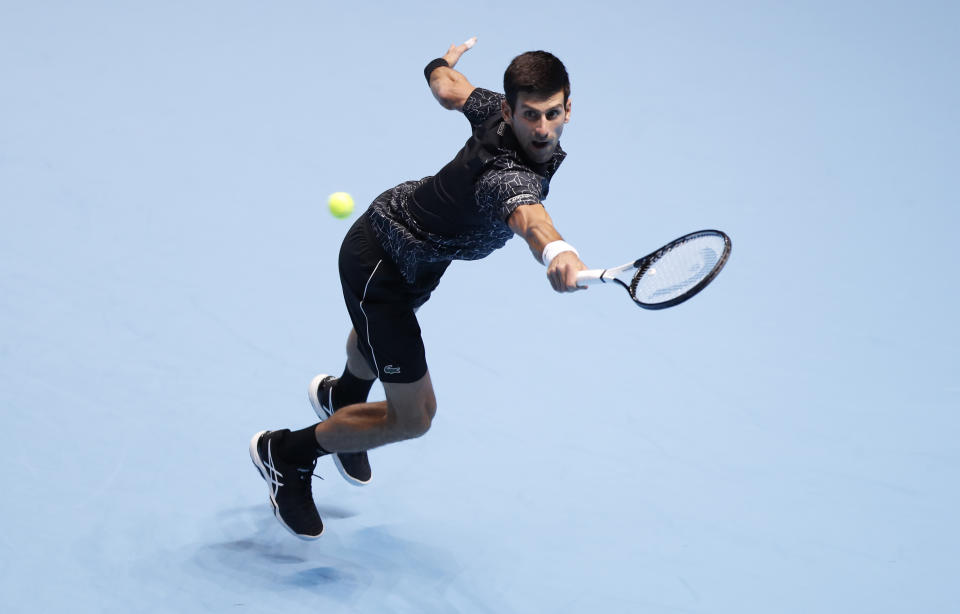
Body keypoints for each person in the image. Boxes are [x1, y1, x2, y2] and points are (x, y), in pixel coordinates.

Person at [250, 38, 587, 539]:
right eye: (530, 116)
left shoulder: (491, 111)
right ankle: (286, 453)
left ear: (568, 106)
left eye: (552, 114)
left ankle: (341, 395)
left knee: (374, 342)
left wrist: (440, 63)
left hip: (420, 255)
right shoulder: (506, 175)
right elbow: (529, 216)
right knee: (414, 416)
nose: (542, 129)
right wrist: (557, 250)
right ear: (508, 110)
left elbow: (451, 88)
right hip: (378, 263)